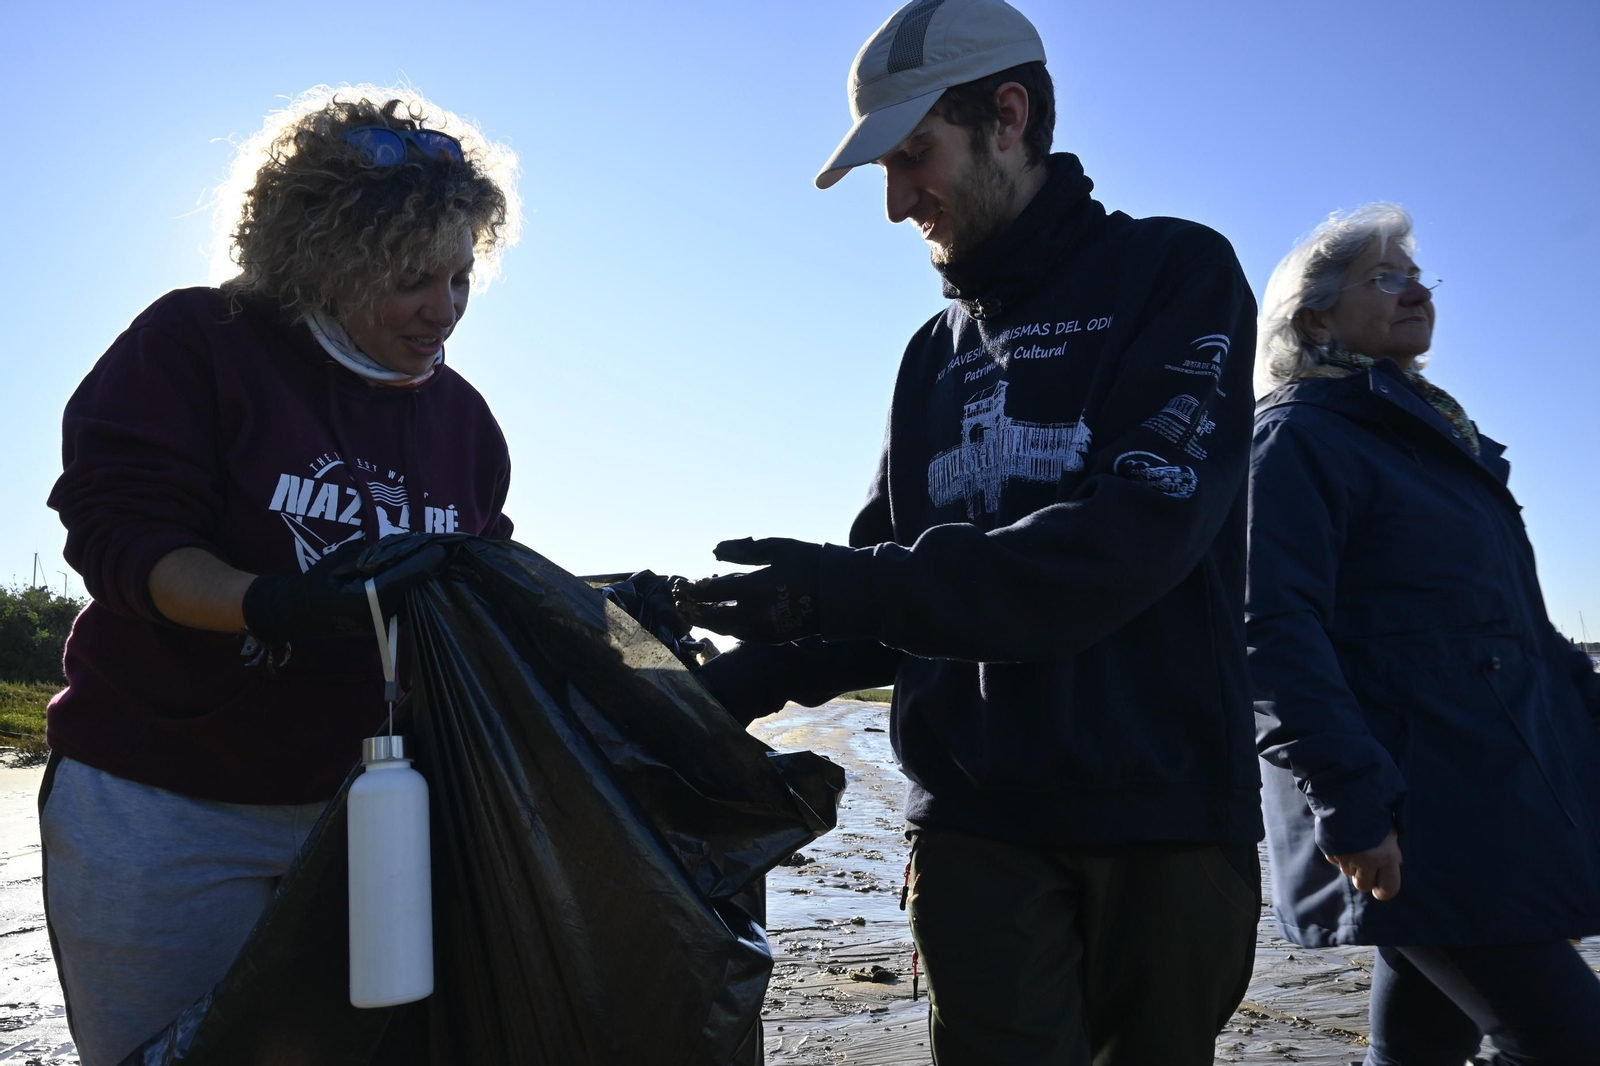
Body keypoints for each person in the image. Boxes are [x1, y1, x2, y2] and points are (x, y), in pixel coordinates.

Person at [679, 2, 1263, 1062]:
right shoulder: (929, 351)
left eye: (913, 158)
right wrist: (721, 678)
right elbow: (879, 584)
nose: (899, 203)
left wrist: (842, 591)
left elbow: (1124, 543)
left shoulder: (1177, 275)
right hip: (975, 831)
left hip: (1165, 818)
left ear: (1008, 114)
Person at [41, 86, 521, 1066]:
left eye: (461, 278)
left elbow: (489, 587)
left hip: (360, 815)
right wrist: (275, 602)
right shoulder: (195, 344)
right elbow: (121, 535)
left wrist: (620, 640)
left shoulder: (463, 423)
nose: (443, 311)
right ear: (320, 259)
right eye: (410, 280)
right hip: (162, 800)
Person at [1248, 203, 1600, 1065]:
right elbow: (1271, 630)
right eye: (1385, 278)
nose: (1415, 293)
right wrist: (1351, 805)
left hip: (1481, 792)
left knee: (1420, 1049)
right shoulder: (1299, 436)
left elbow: (1513, 633)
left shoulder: (1434, 440)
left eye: (1417, 277)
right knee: (1567, 1038)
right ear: (1313, 316)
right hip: (1413, 808)